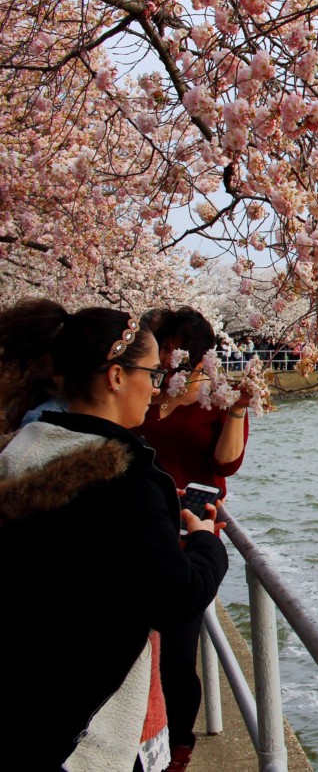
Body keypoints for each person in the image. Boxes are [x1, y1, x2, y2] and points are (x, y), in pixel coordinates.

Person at [0, 299, 228, 772]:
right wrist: (206, 541)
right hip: (82, 724)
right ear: (116, 376)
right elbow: (175, 596)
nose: (158, 386)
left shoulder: (26, 445)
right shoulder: (123, 476)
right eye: (151, 372)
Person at [136, 306, 251, 771]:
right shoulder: (139, 385)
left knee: (179, 649)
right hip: (141, 515)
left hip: (188, 521)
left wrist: (236, 410)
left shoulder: (217, 394)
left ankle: (178, 744)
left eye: (180, 350)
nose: (171, 359)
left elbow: (226, 464)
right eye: (164, 348)